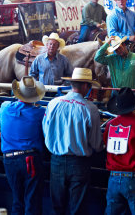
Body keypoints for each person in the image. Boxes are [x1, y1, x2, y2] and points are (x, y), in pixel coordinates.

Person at [42, 67, 103, 214]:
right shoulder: (90, 109)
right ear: (84, 86)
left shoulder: (53, 103)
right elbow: (96, 143)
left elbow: (46, 130)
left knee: (57, 206)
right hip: (79, 163)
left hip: (56, 160)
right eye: (89, 86)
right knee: (77, 208)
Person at [0, 76, 46, 215]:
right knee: (32, 201)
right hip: (28, 159)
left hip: (8, 159)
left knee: (17, 200)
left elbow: (2, 109)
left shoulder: (5, 108)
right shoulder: (40, 112)